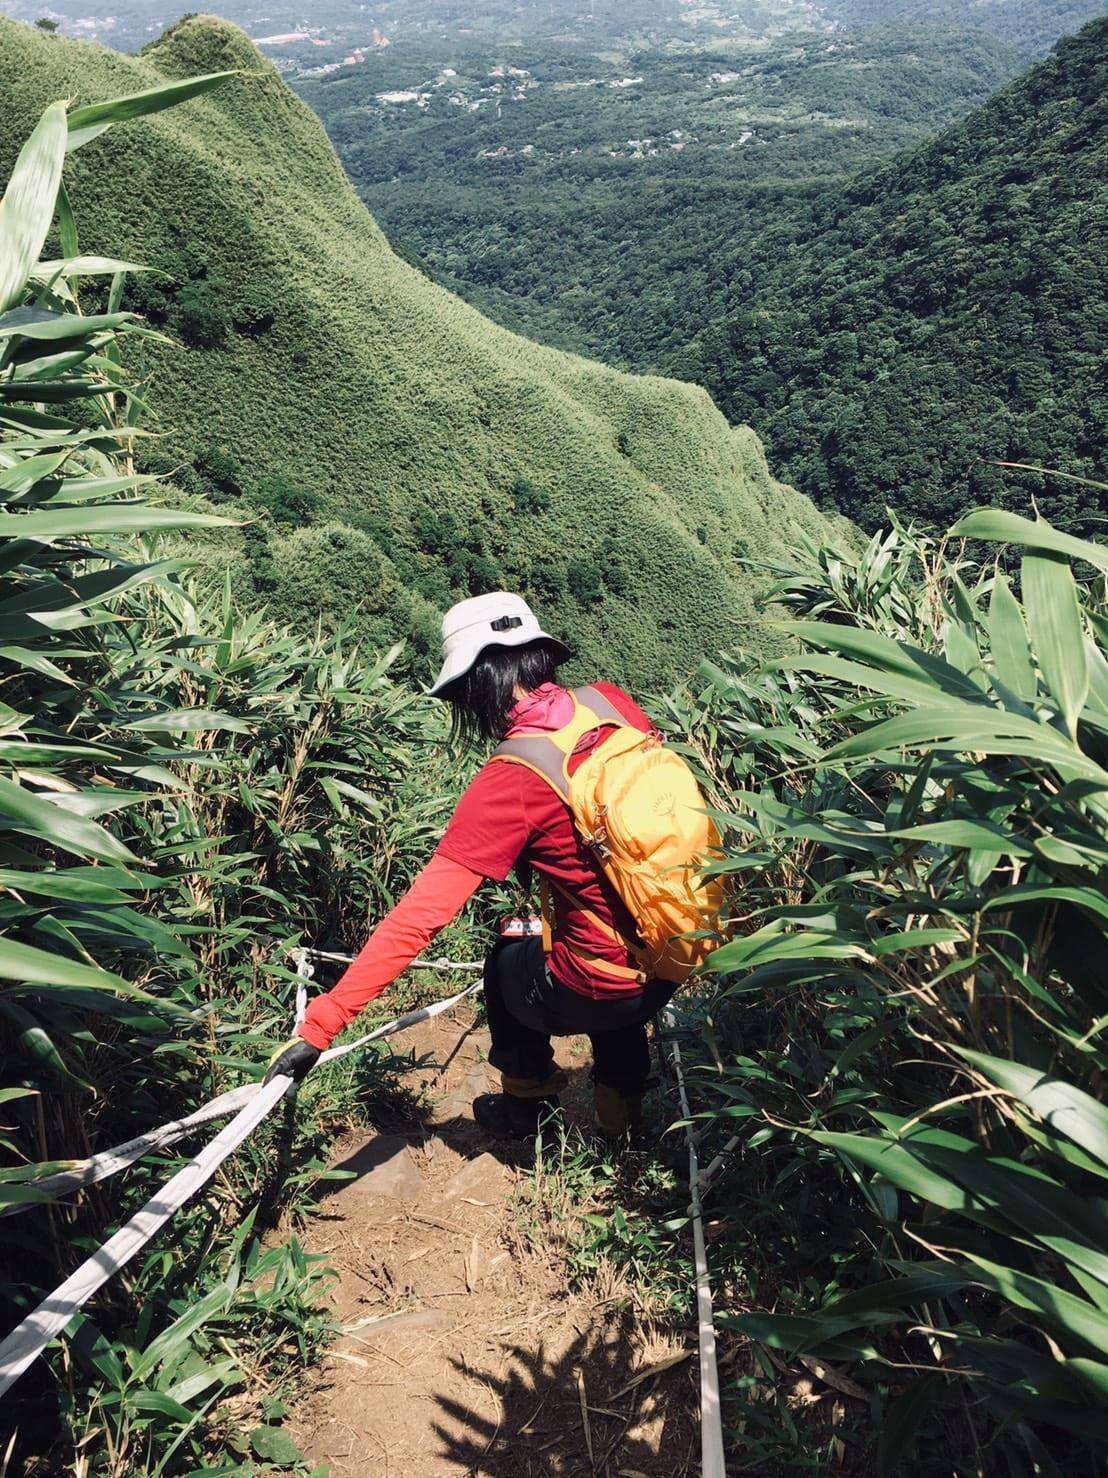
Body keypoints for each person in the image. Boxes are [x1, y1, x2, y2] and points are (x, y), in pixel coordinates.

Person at [265, 591, 687, 1141]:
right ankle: (621, 1116)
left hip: (604, 986)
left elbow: (420, 916)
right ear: (539, 655)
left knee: (507, 958)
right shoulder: (612, 704)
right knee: (601, 949)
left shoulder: (513, 777)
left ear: (476, 683)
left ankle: (525, 1106)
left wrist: (322, 1025)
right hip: (675, 949)